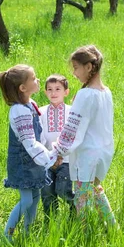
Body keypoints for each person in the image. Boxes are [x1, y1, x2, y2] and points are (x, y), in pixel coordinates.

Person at [51, 45, 116, 226]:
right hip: (103, 153)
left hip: (87, 155)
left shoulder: (85, 94)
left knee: (82, 201)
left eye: (76, 68)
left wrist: (58, 152)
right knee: (95, 190)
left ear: (88, 67)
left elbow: (72, 130)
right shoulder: (106, 92)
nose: (74, 73)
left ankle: (84, 237)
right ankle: (112, 227)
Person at [0, 64, 62, 240]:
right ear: (23, 88)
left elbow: (38, 135)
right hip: (23, 163)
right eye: (33, 78)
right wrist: (49, 157)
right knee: (26, 200)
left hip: (34, 161)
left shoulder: (31, 105)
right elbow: (29, 142)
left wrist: (48, 152)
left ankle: (27, 232)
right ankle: (7, 235)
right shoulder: (19, 111)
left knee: (35, 196)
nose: (38, 80)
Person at [39, 74, 75, 217]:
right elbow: (39, 136)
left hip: (66, 160)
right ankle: (51, 221)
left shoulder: (72, 111)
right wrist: (49, 157)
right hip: (46, 160)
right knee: (47, 191)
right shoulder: (40, 112)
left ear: (66, 92)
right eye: (49, 89)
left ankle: (75, 212)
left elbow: (73, 135)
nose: (53, 93)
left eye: (58, 89)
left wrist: (60, 154)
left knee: (63, 190)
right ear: (45, 92)